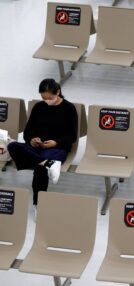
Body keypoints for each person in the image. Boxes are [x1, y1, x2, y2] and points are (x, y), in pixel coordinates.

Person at [8, 79, 78, 207]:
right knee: (12, 146)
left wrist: (55, 143)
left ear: (58, 92)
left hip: (57, 148)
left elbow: (72, 137)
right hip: (37, 148)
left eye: (50, 98)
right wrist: (32, 140)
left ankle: (37, 205)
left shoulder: (69, 109)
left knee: (40, 168)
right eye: (44, 98)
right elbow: (27, 132)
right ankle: (48, 163)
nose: (47, 101)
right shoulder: (39, 107)